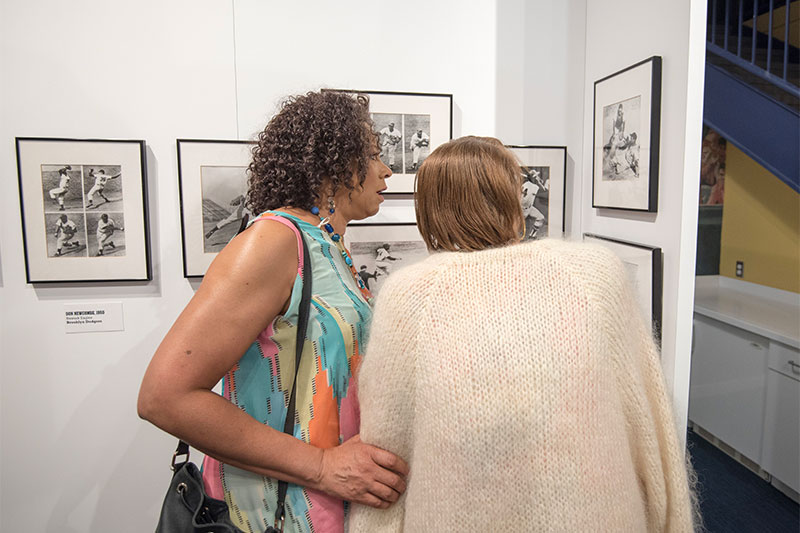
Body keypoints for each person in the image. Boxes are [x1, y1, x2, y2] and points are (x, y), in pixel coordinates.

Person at [349, 136, 697, 531]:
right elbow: (650, 429)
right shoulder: (596, 273)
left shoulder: (411, 294)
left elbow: (385, 463)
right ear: (510, 198)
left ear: (429, 208)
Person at [138, 90, 407, 533]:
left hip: (324, 504)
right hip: (270, 513)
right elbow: (164, 397)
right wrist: (322, 465)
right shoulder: (276, 241)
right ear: (333, 165)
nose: (386, 170)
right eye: (374, 155)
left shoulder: (328, 244)